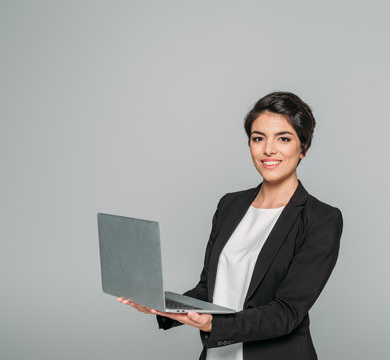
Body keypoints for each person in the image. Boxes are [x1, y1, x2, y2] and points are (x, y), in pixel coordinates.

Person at [118, 91, 343, 360]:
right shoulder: (230, 205)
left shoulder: (321, 219)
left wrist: (215, 325)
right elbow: (207, 290)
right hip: (217, 355)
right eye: (258, 138)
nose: (268, 149)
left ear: (303, 148)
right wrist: (164, 306)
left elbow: (286, 313)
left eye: (283, 138)